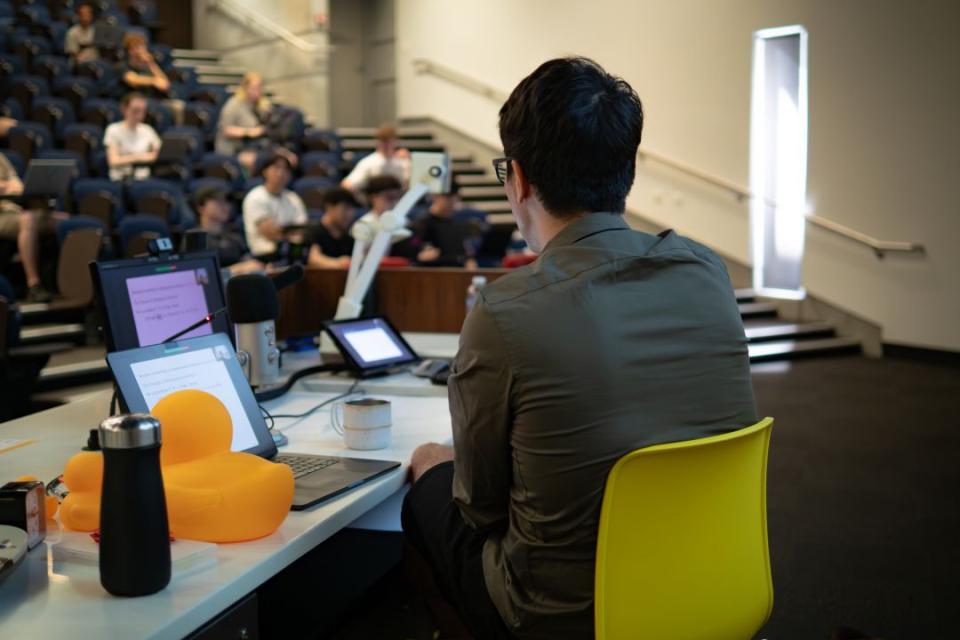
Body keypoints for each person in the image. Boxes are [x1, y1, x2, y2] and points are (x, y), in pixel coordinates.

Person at [401, 57, 758, 639]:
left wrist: (436, 464)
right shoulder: (707, 272)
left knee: (428, 474)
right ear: (627, 170)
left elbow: (480, 506)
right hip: (708, 584)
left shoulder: (506, 309)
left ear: (516, 178)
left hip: (563, 616)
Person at [0, 153, 61, 303]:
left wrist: (9, 185)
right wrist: (7, 186)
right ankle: (34, 285)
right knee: (28, 219)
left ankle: (65, 283)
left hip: (13, 210)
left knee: (63, 221)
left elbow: (16, 182)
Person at [242, 153, 307, 259]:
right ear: (265, 171)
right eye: (276, 167)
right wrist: (290, 232)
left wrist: (283, 232)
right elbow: (269, 232)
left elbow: (302, 230)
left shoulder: (293, 198)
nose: (281, 173)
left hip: (290, 254)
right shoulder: (255, 197)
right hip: (263, 255)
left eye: (286, 169)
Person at [193, 186, 264, 275]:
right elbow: (199, 276)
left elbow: (250, 263)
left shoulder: (234, 236)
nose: (225, 206)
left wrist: (262, 268)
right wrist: (237, 269)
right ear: (201, 207)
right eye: (218, 202)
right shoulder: (194, 240)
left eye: (226, 202)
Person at [119, 33, 184, 124]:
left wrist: (151, 63)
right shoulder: (123, 66)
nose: (141, 51)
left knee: (177, 106)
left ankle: (176, 132)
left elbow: (165, 84)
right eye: (137, 47)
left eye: (143, 47)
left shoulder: (148, 67)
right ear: (130, 51)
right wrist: (153, 81)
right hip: (134, 101)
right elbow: (133, 80)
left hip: (153, 100)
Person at [215, 72, 271, 175]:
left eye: (259, 88)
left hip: (253, 146)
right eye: (253, 88)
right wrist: (249, 132)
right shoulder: (233, 105)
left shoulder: (261, 106)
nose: (257, 91)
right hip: (233, 148)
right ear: (245, 88)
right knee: (256, 160)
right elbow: (225, 130)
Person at [414, 183, 481, 267]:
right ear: (435, 197)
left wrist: (469, 260)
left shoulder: (457, 223)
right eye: (448, 198)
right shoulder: (423, 223)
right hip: (433, 270)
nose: (452, 203)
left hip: (456, 270)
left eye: (455, 199)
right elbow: (415, 251)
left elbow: (464, 252)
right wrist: (419, 255)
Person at [104, 92, 161, 181]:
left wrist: (128, 158)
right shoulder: (113, 129)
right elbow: (113, 161)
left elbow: (158, 154)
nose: (139, 115)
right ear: (124, 109)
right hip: (121, 179)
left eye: (143, 111)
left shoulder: (148, 130)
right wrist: (140, 157)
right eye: (135, 111)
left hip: (144, 179)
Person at [341, 123, 411, 192]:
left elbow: (412, 184)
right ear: (377, 142)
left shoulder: (403, 161)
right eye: (383, 140)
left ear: (396, 141)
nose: (386, 144)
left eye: (389, 140)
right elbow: (347, 185)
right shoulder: (369, 162)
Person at [305, 187, 359, 268]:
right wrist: (339, 263)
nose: (350, 214)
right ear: (329, 207)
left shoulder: (348, 237)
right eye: (345, 208)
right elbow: (313, 259)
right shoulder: (313, 232)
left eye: (352, 209)